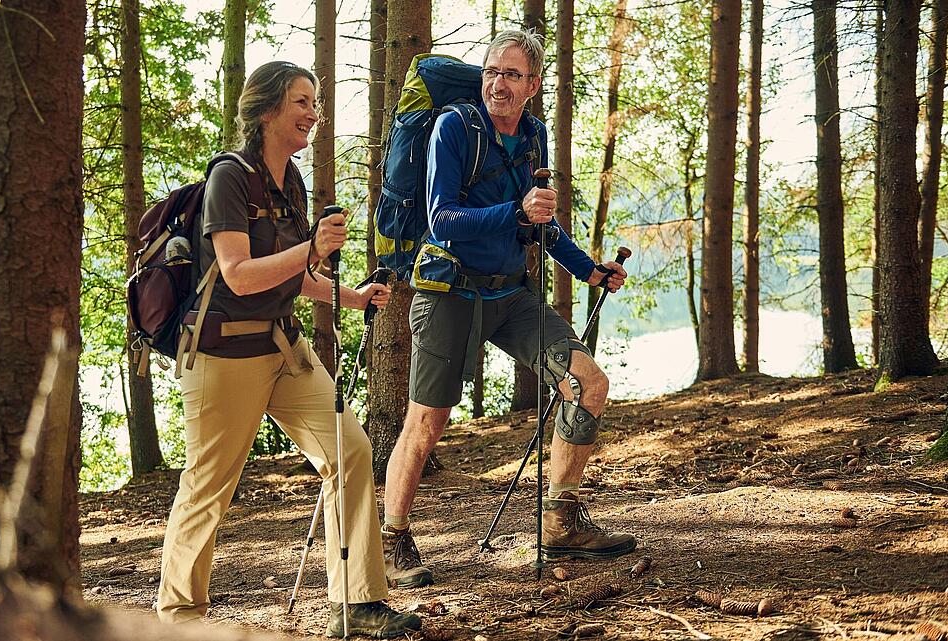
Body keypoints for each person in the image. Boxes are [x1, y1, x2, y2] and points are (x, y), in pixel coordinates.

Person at [156, 61, 421, 639]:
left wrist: (350, 296)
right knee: (208, 489)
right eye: (302, 101)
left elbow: (292, 274)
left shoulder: (290, 181)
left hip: (282, 348)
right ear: (268, 108)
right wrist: (312, 250)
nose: (313, 113)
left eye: (316, 102)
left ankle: (357, 603)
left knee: (350, 453)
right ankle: (179, 621)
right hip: (224, 355)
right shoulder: (230, 176)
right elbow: (238, 274)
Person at [381, 30, 636, 589]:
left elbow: (540, 221)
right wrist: (513, 212)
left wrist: (588, 269)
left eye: (512, 75)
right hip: (448, 290)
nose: (498, 83)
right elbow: (441, 219)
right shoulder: (455, 128)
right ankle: (392, 536)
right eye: (492, 71)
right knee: (426, 422)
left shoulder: (534, 136)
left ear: (533, 86)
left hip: (510, 294)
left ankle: (561, 520)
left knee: (588, 383)